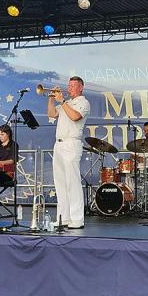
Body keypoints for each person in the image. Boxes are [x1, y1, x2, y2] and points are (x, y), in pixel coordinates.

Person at [47, 76, 90, 229]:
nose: (70, 88)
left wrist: (62, 101)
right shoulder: (67, 103)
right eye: (69, 85)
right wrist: (51, 99)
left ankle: (77, 219)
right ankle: (64, 217)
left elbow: (75, 116)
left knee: (72, 182)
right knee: (60, 183)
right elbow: (52, 114)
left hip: (71, 143)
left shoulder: (83, 103)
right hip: (58, 144)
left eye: (73, 86)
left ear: (81, 88)